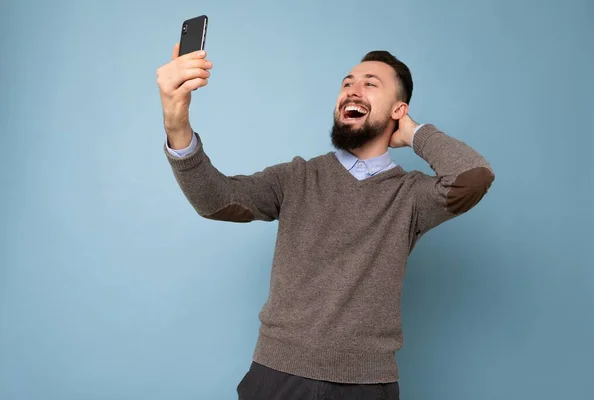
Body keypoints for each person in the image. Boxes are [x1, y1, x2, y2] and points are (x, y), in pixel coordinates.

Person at [156, 44, 495, 400]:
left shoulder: (410, 197)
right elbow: (214, 200)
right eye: (347, 82)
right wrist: (176, 123)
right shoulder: (296, 177)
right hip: (278, 377)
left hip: (367, 386)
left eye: (370, 84)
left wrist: (412, 133)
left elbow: (472, 178)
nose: (353, 88)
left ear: (399, 109)